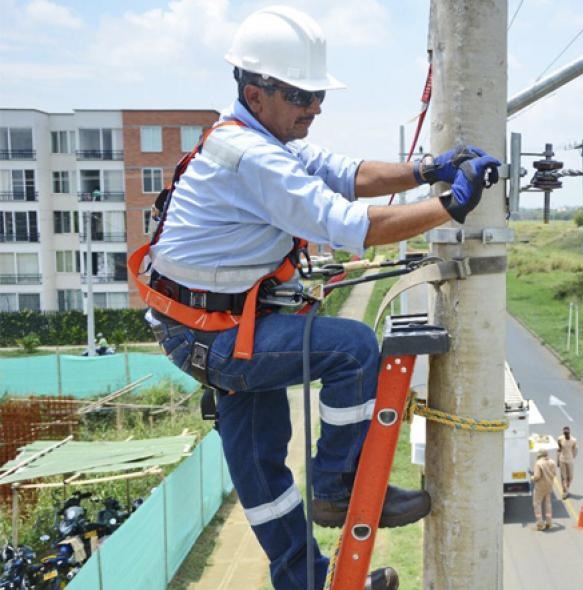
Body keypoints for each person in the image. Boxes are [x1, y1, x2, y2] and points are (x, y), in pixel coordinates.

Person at [135, 6, 500, 590]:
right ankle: (338, 483)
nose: (316, 108)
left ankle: (303, 581)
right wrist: (452, 206)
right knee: (353, 349)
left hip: (206, 326)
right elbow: (348, 224)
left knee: (259, 471)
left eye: (316, 95)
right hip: (214, 332)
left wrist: (426, 170)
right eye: (303, 96)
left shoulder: (257, 138)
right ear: (257, 93)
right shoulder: (251, 157)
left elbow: (345, 174)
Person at [531, 449, 558, 531]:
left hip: (540, 487)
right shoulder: (552, 462)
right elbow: (554, 474)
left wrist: (532, 478)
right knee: (548, 503)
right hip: (549, 486)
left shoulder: (538, 463)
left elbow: (537, 476)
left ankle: (540, 524)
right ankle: (549, 522)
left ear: (539, 455)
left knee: (537, 503)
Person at [556, 425, 578, 499]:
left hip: (570, 460)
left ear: (569, 432)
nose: (566, 434)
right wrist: (557, 461)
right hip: (562, 459)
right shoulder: (560, 439)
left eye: (567, 433)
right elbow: (559, 449)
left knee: (570, 476)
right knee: (563, 477)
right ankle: (565, 492)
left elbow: (575, 450)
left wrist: (573, 457)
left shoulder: (573, 440)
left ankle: (566, 489)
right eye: (564, 433)